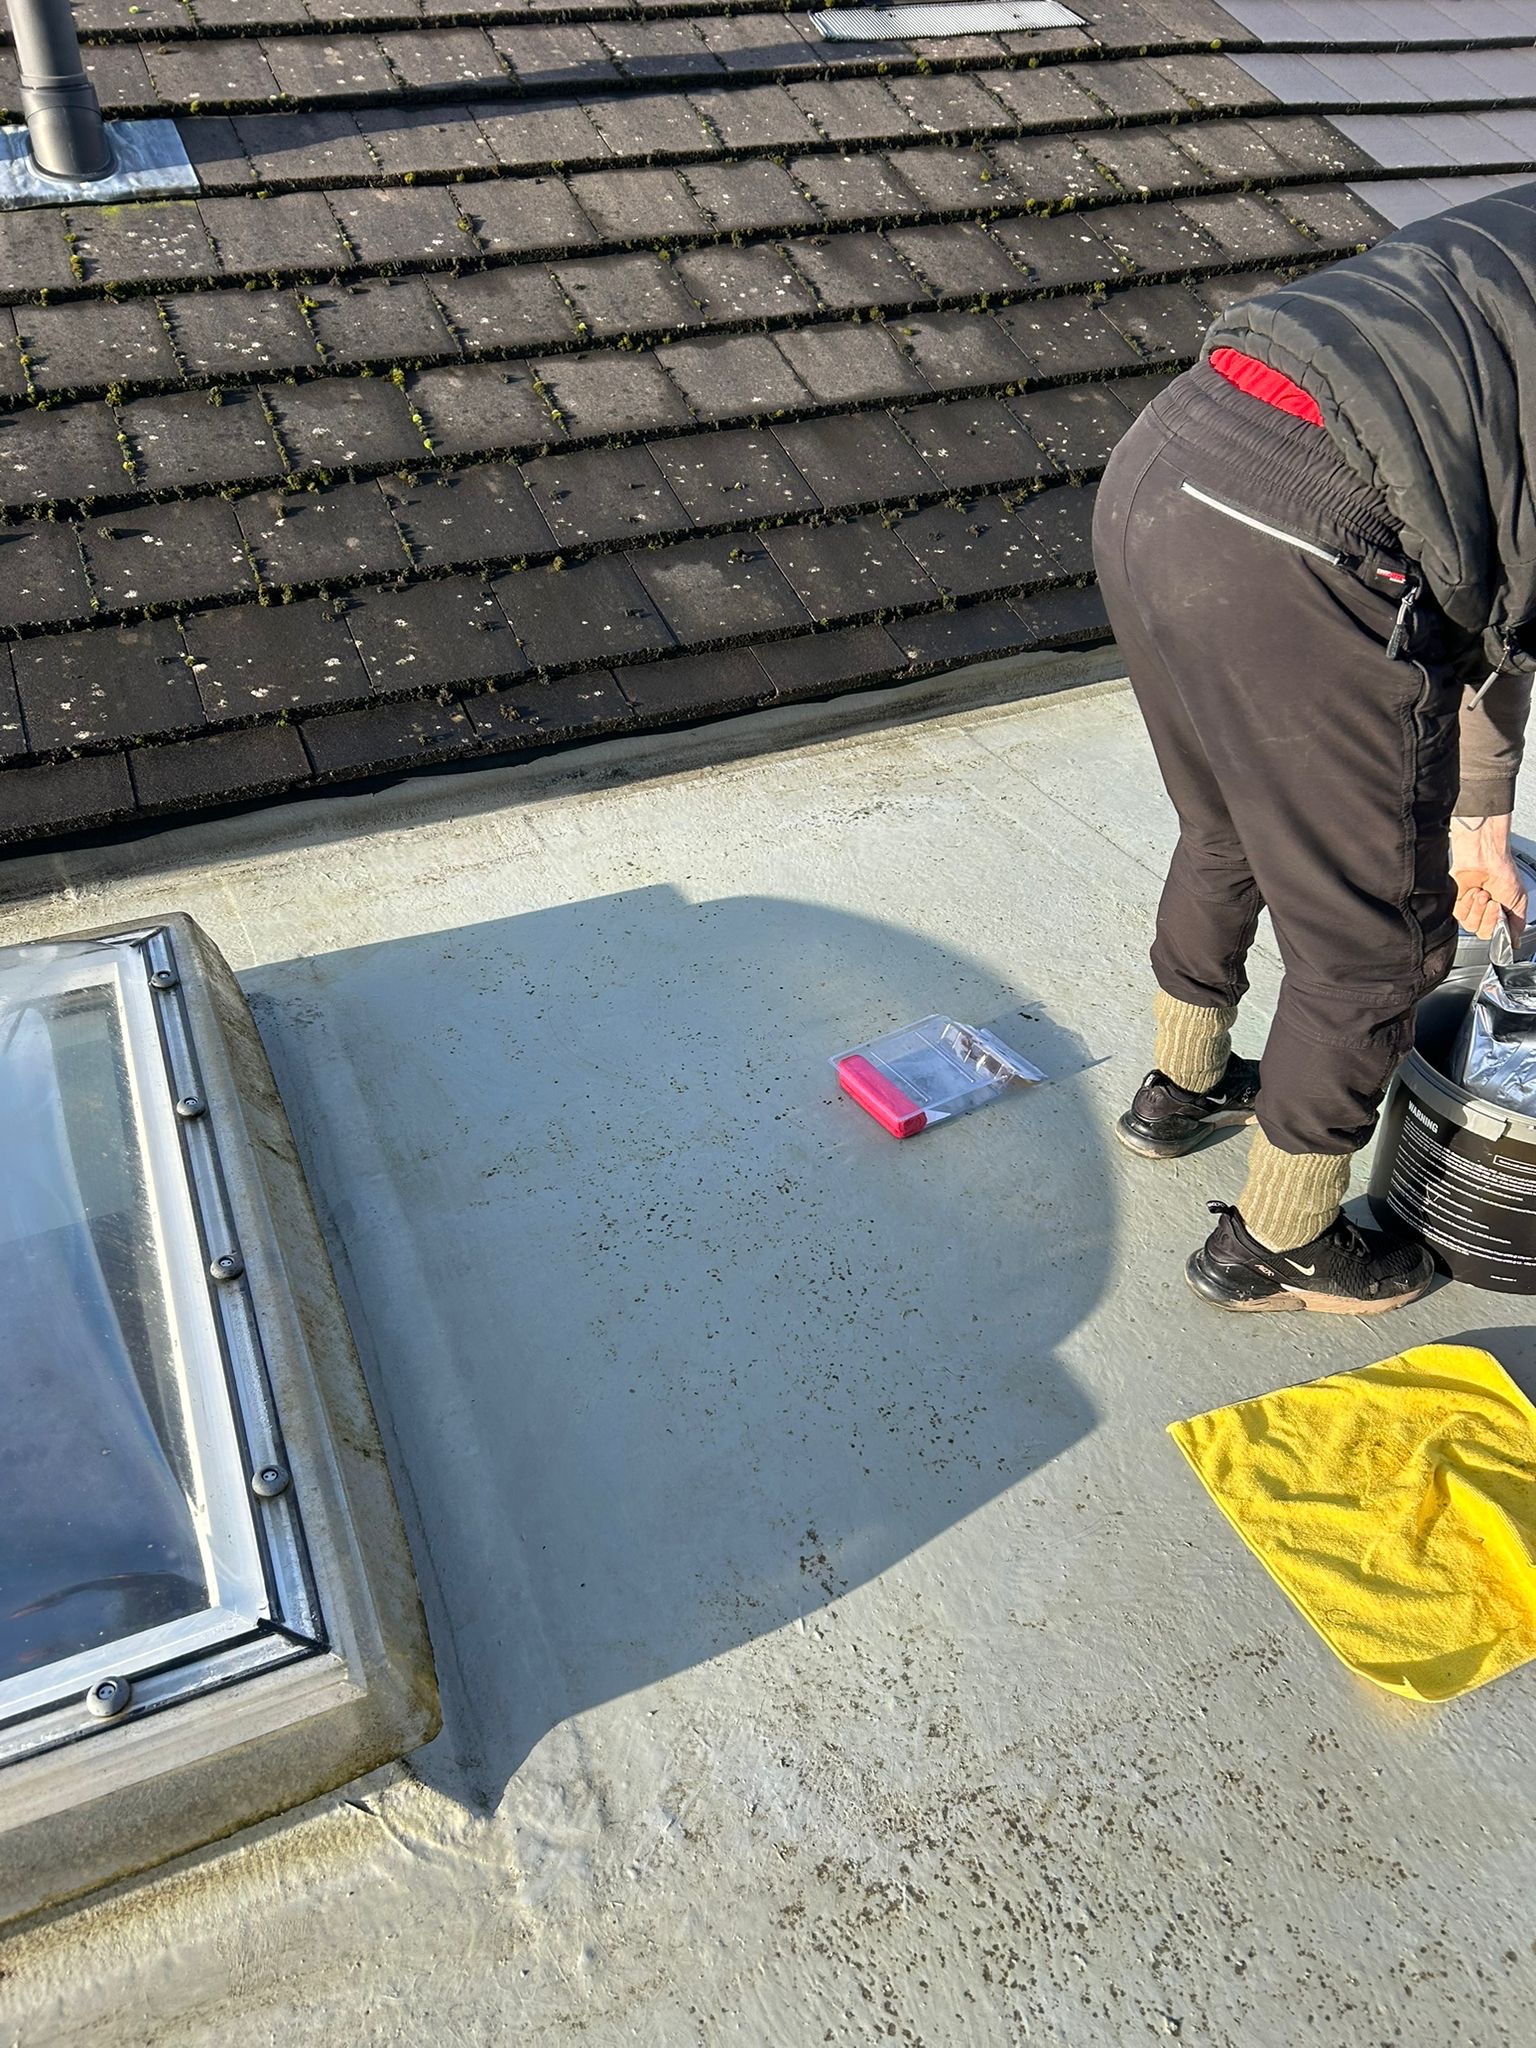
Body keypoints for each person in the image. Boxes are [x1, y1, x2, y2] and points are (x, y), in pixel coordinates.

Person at [1093, 182, 1536, 1315]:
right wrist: (1469, 818)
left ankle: (1181, 1088)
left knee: (1226, 826)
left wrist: (1479, 815)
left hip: (1164, 461)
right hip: (1305, 540)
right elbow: (1511, 612)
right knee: (1372, 948)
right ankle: (1280, 1244)